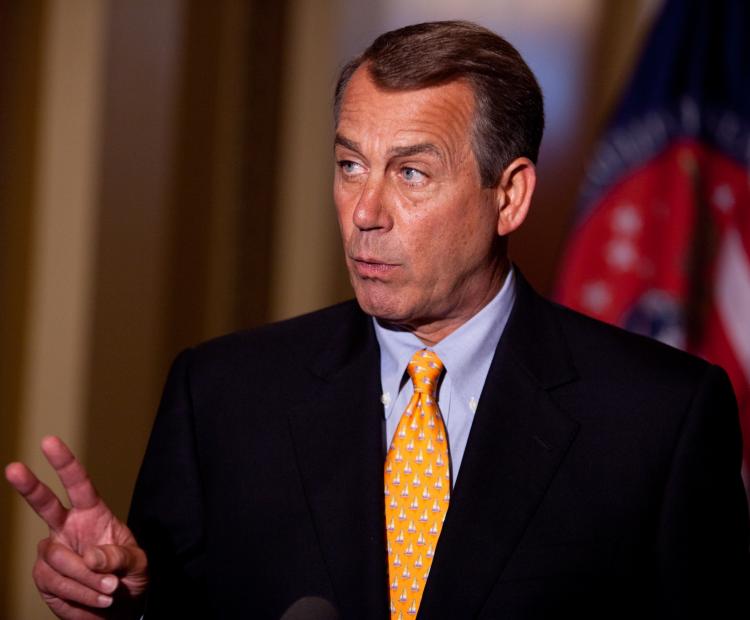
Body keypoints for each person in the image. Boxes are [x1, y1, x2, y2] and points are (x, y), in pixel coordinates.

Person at [6, 20, 749, 620]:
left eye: (411, 173)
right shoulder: (224, 395)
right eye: (350, 165)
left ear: (510, 196)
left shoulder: (660, 417)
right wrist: (127, 603)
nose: (365, 213)